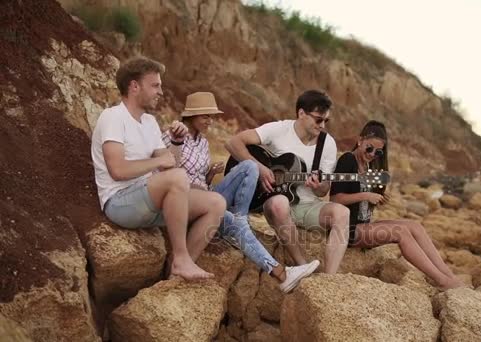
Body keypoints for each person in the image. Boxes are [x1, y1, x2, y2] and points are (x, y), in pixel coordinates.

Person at [162, 91, 319, 292]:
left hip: (208, 196)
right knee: (235, 220)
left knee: (251, 166)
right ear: (191, 116)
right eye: (205, 116)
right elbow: (167, 173)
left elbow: (200, 179)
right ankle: (282, 273)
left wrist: (209, 175)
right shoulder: (174, 135)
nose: (210, 121)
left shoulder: (203, 142)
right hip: (185, 199)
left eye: (212, 116)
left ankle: (240, 217)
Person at [91, 57, 226, 281]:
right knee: (177, 178)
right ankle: (181, 259)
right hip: (120, 203)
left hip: (148, 199)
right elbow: (118, 170)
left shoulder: (150, 123)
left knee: (216, 203)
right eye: (155, 85)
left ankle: (178, 271)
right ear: (134, 86)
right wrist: (158, 163)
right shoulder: (113, 117)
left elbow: (170, 163)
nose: (160, 92)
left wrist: (176, 141)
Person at [329, 120, 465, 290]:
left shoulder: (368, 165)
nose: (372, 154)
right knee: (400, 233)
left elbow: (360, 194)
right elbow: (335, 199)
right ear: (360, 141)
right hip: (348, 229)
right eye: (369, 148)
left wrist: (377, 196)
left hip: (364, 225)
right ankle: (442, 281)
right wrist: (365, 195)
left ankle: (449, 275)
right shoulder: (348, 160)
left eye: (378, 152)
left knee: (415, 226)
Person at [226, 90, 350, 274]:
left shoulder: (327, 144)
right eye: (318, 119)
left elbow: (322, 192)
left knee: (342, 213)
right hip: (274, 201)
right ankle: (302, 265)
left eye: (326, 121)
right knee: (279, 203)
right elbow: (233, 143)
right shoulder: (279, 129)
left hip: (307, 206)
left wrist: (319, 185)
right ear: (301, 113)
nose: (322, 125)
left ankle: (329, 277)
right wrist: (260, 168)